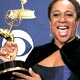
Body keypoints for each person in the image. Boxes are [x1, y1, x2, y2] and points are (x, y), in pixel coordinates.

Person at [0, 0, 80, 80]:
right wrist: (10, 64)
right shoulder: (37, 53)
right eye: (56, 15)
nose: (62, 19)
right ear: (50, 22)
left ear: (77, 22)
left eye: (69, 15)